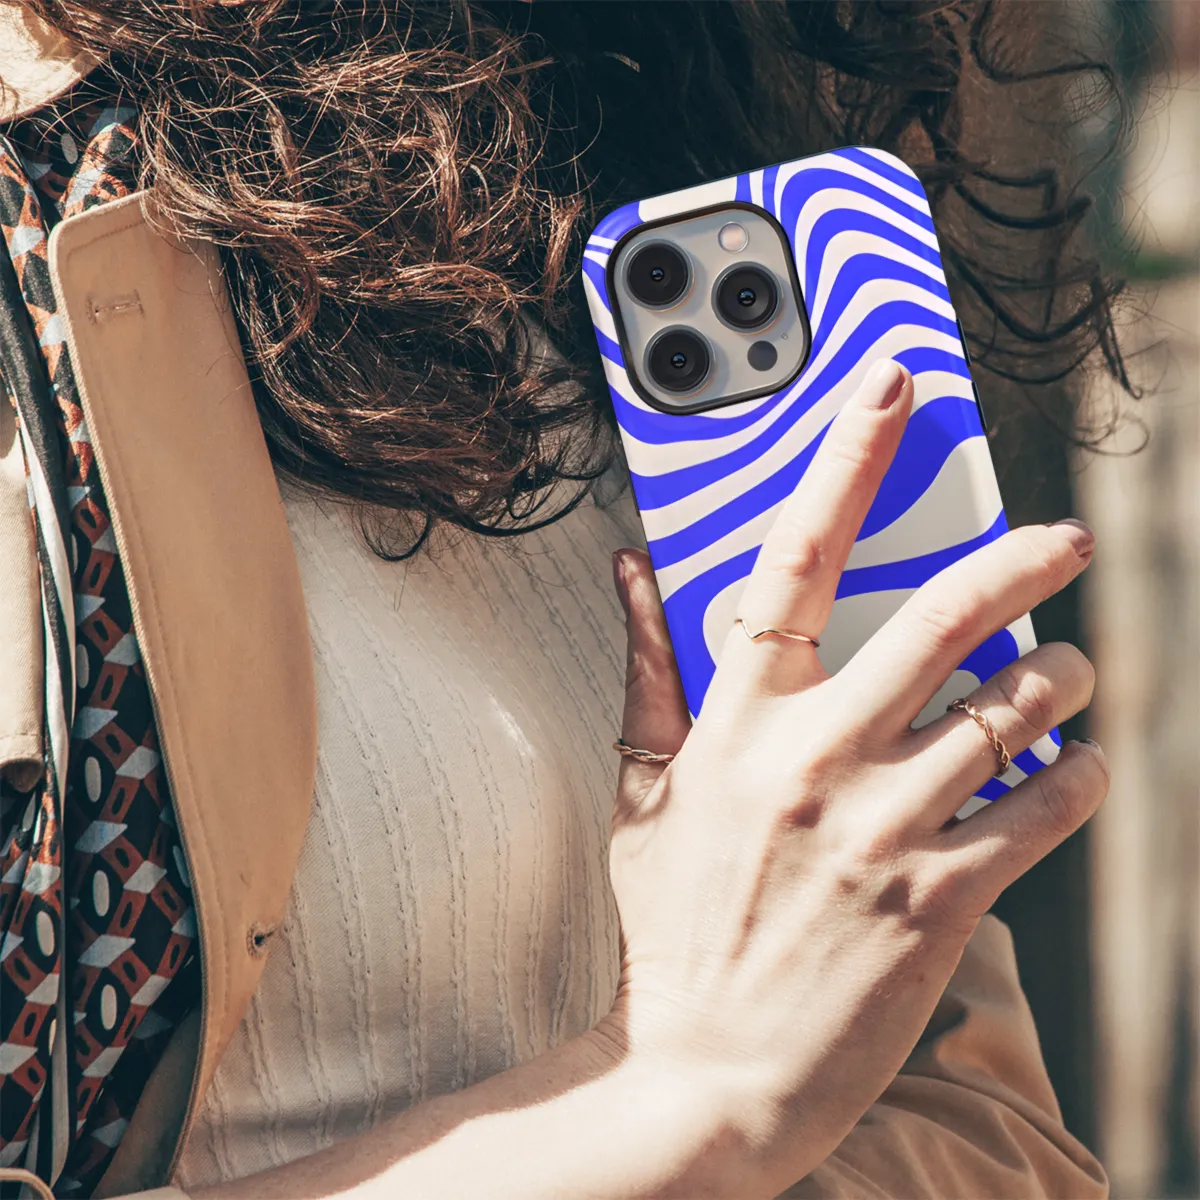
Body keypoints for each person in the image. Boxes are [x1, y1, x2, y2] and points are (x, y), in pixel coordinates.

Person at [0, 3, 1127, 1197]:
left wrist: (741, 1090)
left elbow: (989, 1137)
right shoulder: (46, 251)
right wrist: (686, 1090)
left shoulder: (615, 156)